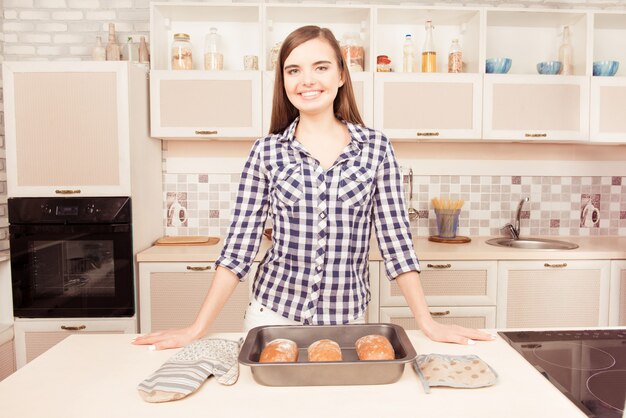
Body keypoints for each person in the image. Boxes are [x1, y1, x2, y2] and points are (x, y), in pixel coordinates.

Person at [133, 25, 493, 350]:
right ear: (284, 81)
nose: (307, 80)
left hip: (347, 321)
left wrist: (427, 323)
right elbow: (238, 250)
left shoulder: (376, 148)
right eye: (294, 70)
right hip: (271, 317)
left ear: (340, 75)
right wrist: (196, 327)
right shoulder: (266, 152)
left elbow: (396, 243)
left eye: (320, 67)